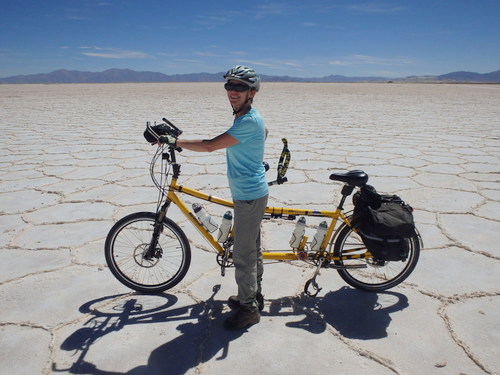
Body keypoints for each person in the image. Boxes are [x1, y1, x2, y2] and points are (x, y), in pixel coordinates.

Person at [159, 66, 268, 330]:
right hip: (248, 193)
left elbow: (209, 145)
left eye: (240, 87)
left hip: (250, 195)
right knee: (251, 248)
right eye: (229, 86)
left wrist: (176, 141)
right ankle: (253, 295)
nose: (233, 91)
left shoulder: (249, 120)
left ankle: (249, 310)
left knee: (243, 254)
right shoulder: (247, 118)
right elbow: (264, 134)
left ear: (252, 92)